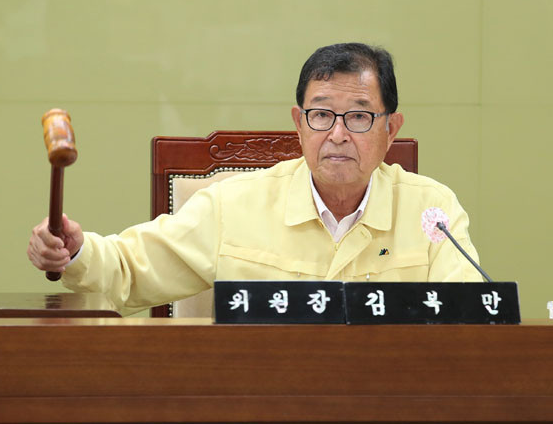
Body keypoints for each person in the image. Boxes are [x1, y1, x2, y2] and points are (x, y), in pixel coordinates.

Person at [27, 43, 482, 313]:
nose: (338, 134)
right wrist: (75, 251)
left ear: (391, 129)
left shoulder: (432, 213)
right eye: (321, 114)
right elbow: (129, 270)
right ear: (299, 124)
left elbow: (474, 319)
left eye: (359, 116)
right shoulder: (235, 205)